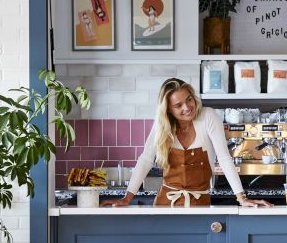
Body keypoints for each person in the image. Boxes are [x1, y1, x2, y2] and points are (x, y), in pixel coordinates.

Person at [101, 78, 272, 208]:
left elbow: (224, 158)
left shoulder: (208, 116)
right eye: (178, 105)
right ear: (168, 109)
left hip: (199, 203)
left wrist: (241, 198)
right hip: (165, 204)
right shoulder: (162, 125)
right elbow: (145, 160)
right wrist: (126, 198)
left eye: (189, 99)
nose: (187, 107)